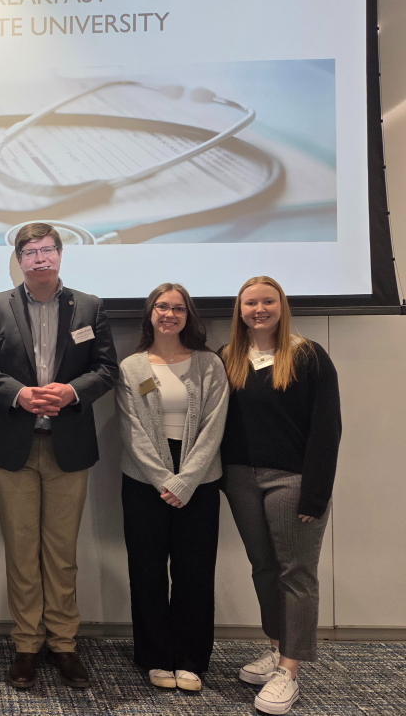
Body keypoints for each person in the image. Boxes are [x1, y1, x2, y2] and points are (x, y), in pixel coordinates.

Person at [0, 222, 119, 690]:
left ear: (60, 254)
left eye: (47, 249)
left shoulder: (89, 306)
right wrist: (19, 394)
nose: (40, 258)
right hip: (13, 445)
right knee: (22, 552)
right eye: (29, 252)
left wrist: (71, 392)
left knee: (62, 553)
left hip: (67, 446)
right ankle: (27, 645)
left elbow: (107, 369)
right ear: (19, 260)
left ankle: (65, 645)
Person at [219, 276, 341, 716]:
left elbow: (327, 430)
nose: (259, 309)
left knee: (296, 573)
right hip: (239, 479)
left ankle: (289, 670)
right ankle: (276, 648)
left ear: (281, 305)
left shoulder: (308, 355)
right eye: (250, 302)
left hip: (292, 481)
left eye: (267, 301)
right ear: (240, 310)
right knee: (264, 566)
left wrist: (316, 494)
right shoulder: (228, 357)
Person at [115, 283, 229, 693]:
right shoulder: (131, 367)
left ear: (188, 316)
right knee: (146, 572)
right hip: (144, 481)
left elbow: (215, 427)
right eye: (162, 307)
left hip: (199, 481)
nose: (170, 314)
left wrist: (186, 479)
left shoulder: (209, 364)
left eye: (178, 308)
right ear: (149, 313)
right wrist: (165, 479)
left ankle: (191, 658)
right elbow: (130, 430)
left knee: (194, 574)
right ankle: (155, 656)